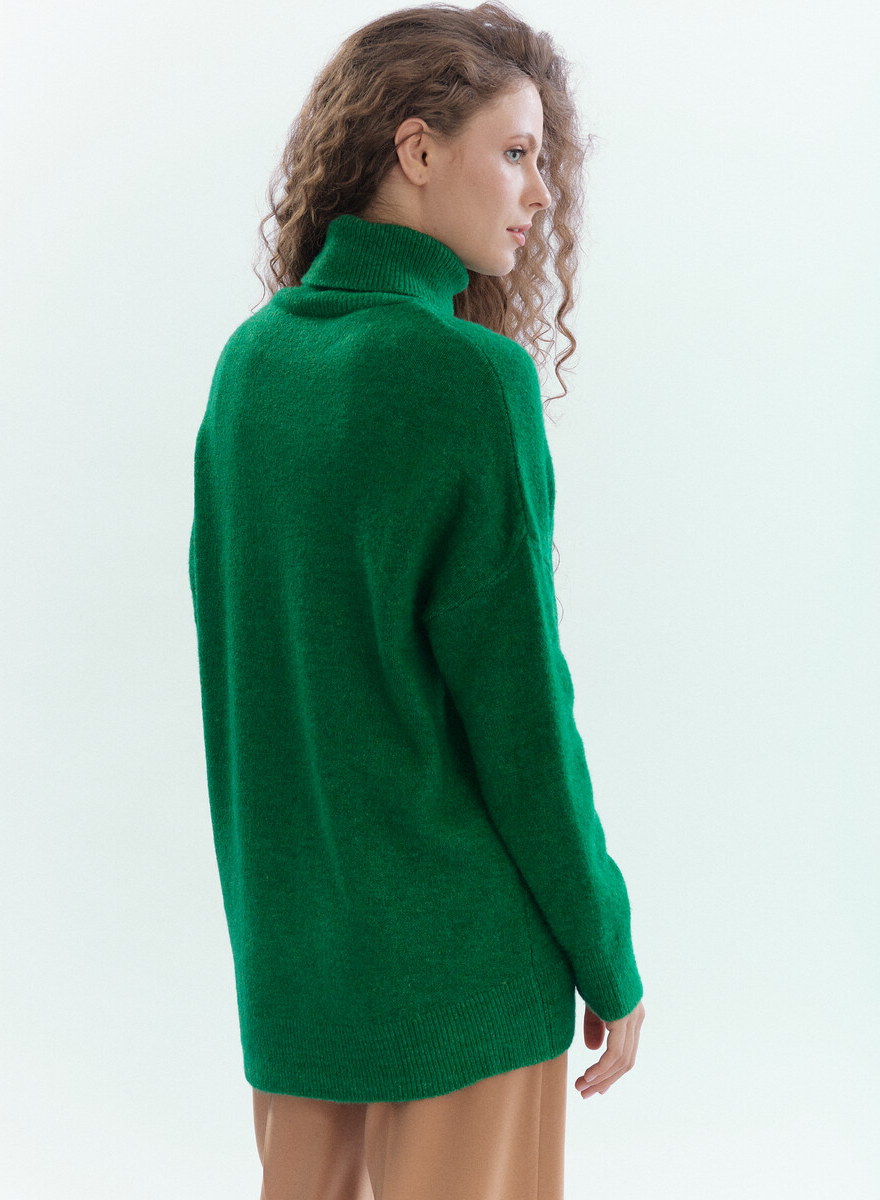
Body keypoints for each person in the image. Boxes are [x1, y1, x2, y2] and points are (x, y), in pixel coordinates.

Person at [188, 3, 645, 1196]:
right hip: (462, 983)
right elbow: (522, 717)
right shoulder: (469, 379)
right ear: (418, 149)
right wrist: (608, 951)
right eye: (517, 152)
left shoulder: (250, 366)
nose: (540, 193)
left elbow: (244, 695)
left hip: (297, 983)